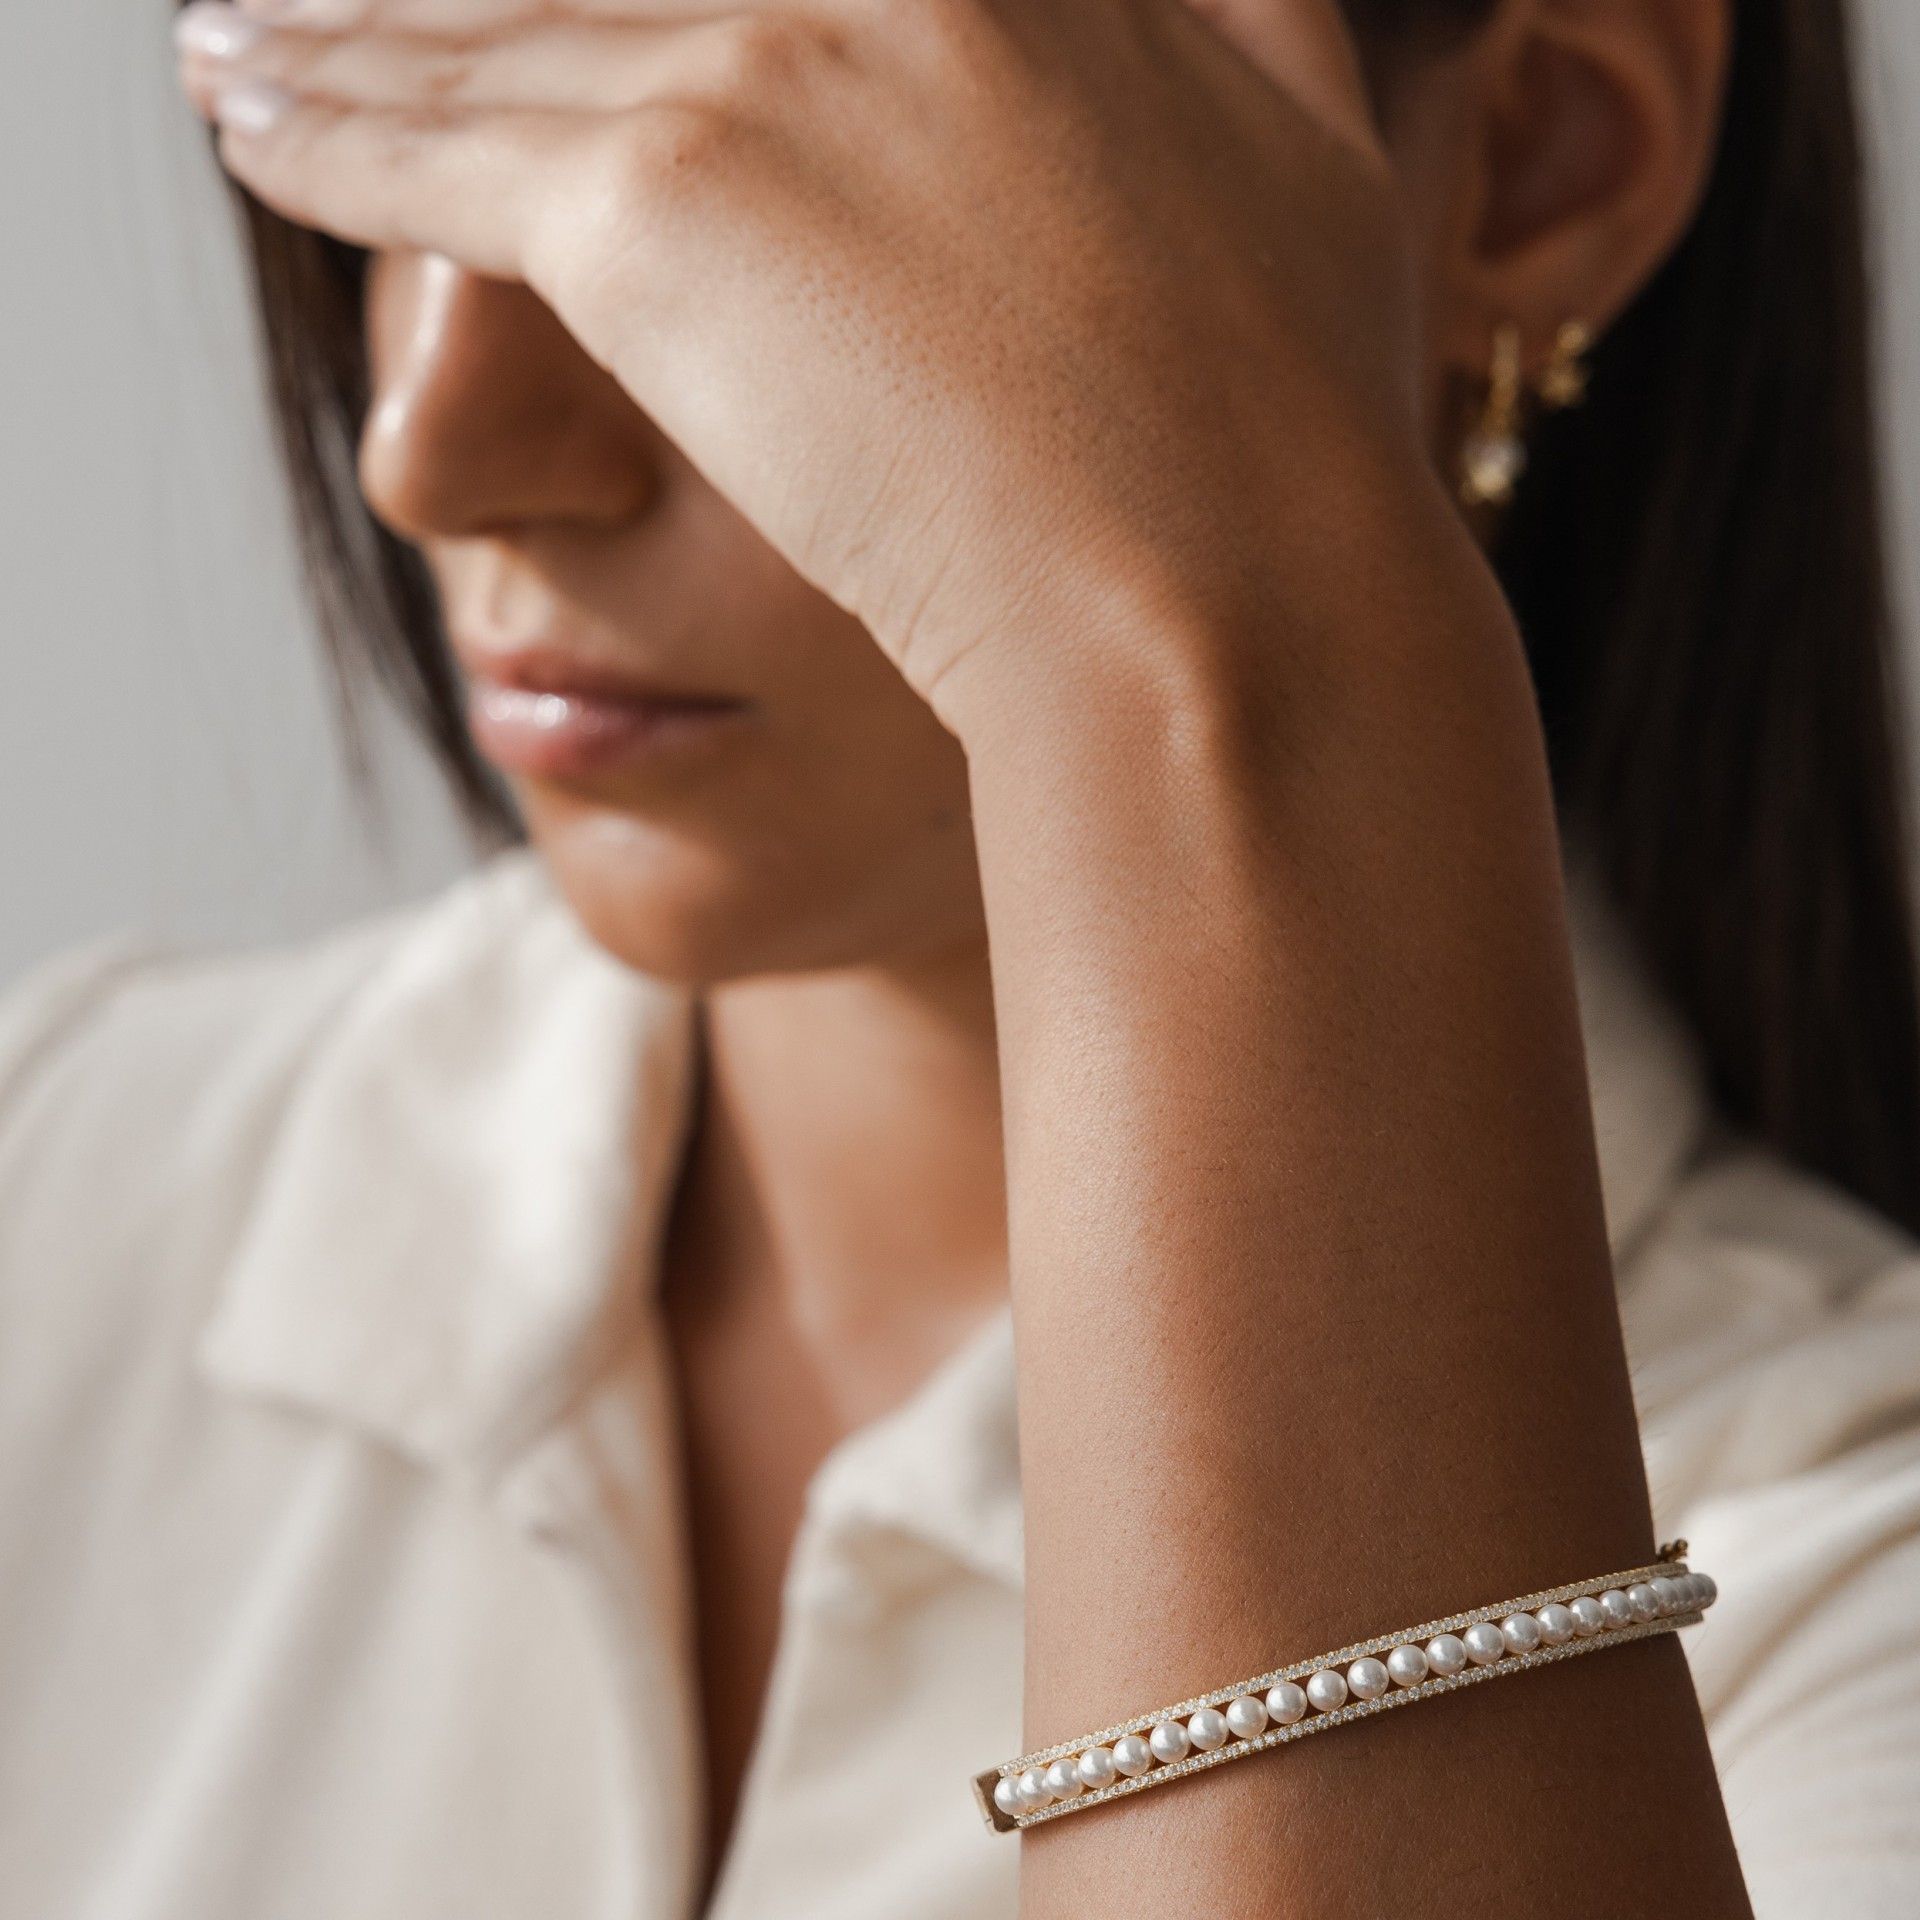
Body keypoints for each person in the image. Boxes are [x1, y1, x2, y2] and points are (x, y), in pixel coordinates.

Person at [1, 0, 1915, 1913]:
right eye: (412, 125)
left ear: (1544, 154)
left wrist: (1212, 655)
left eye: (742, 126)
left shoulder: (1849, 1580)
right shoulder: (56, 1199)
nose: (436, 443)